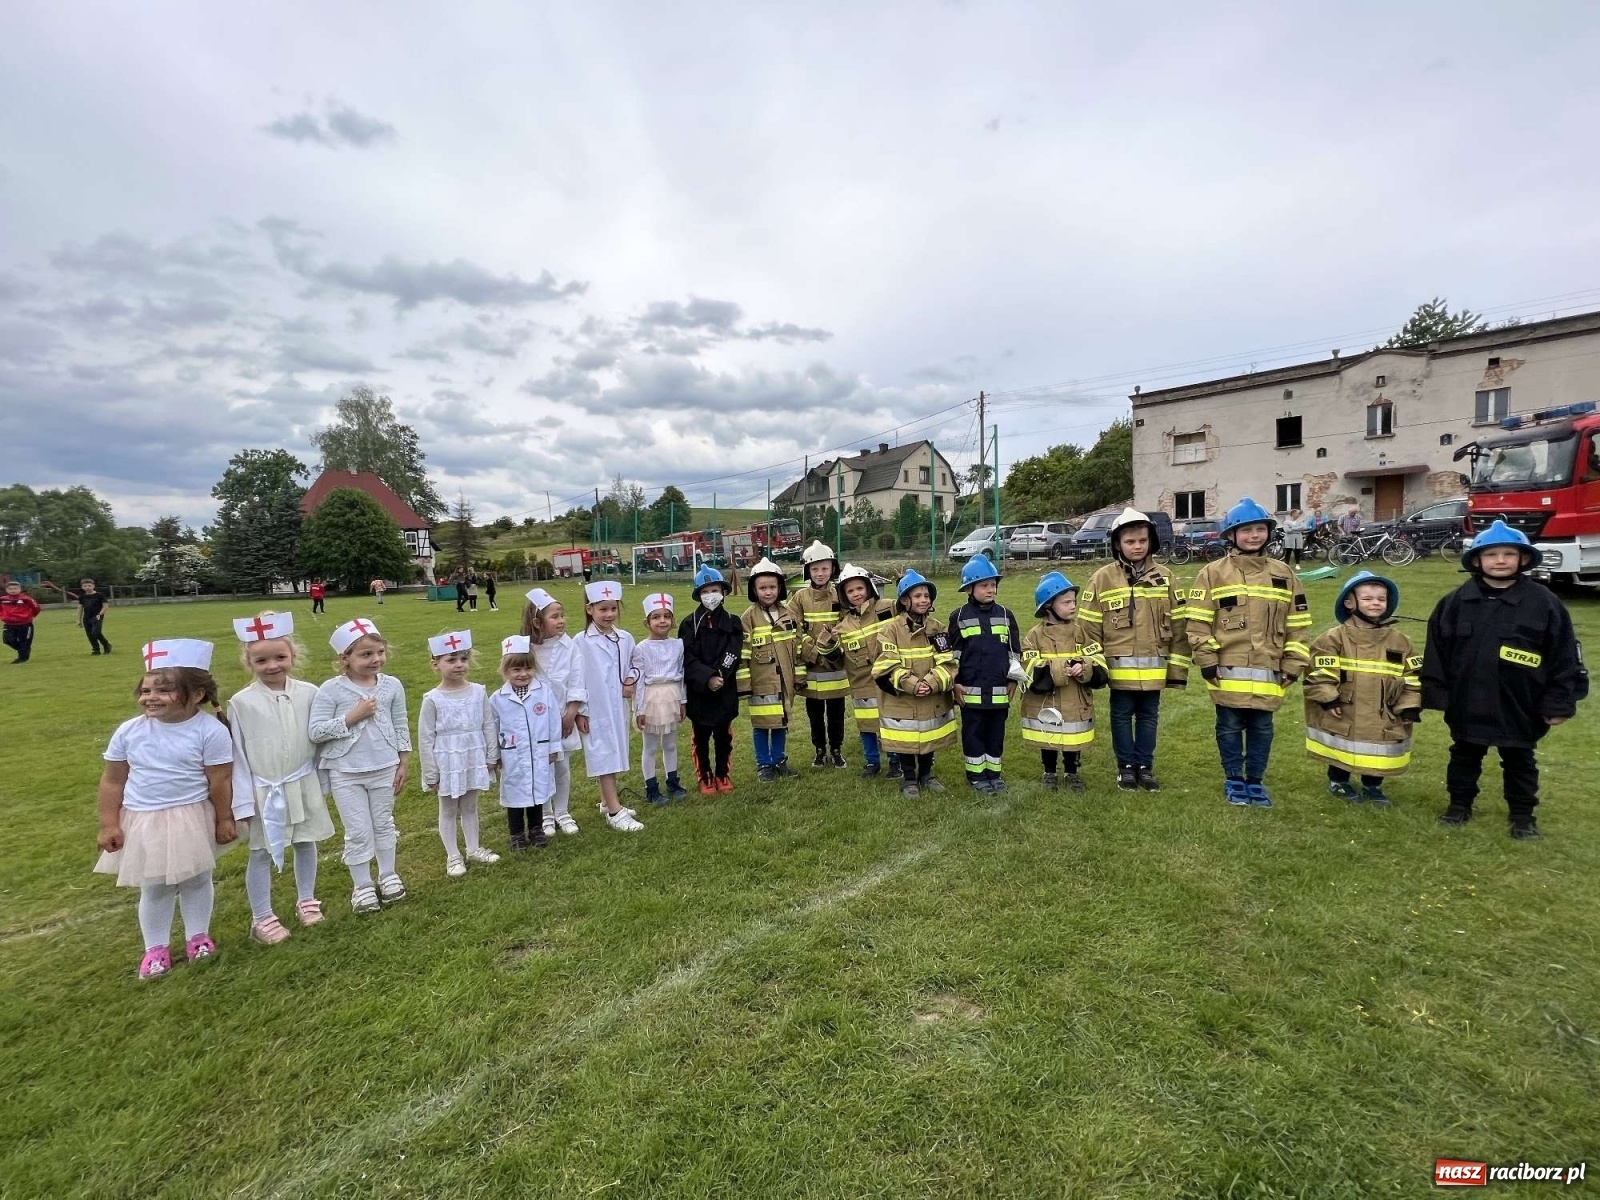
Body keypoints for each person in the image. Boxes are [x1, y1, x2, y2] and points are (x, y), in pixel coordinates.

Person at [1422, 521, 1585, 839]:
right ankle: (1459, 806)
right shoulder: (1455, 603)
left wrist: (1559, 702)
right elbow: (1437, 651)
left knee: (1520, 759)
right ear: (1476, 560)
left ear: (1523, 559)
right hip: (1468, 700)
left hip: (1521, 703)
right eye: (1492, 554)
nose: (1500, 560)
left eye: (1509, 553)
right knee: (1464, 755)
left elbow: (1564, 656)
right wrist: (1436, 693)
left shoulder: (1545, 604)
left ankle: (1523, 816)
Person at [94, 639, 236, 980]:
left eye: (164, 690)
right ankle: (155, 948)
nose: (150, 697)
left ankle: (197, 936)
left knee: (197, 879)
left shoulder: (210, 731)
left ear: (197, 694)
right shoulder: (130, 732)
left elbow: (219, 780)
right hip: (145, 820)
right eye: (145, 690)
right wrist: (108, 824)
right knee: (154, 885)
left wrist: (224, 818)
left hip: (191, 816)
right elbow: (112, 781)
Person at [1186, 498, 1312, 807]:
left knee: (1262, 728)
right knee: (1228, 726)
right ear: (1231, 535)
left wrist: (1293, 664)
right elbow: (1198, 622)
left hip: (1270, 669)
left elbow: (1298, 623)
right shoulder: (1212, 574)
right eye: (1246, 530)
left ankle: (1255, 781)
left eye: (1259, 529)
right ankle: (1234, 779)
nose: (1254, 535)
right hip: (1227, 670)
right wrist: (1206, 661)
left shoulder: (1284, 573)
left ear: (1268, 533)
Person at [227, 612, 334, 946]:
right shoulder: (241, 703)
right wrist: (243, 799)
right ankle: (262, 916)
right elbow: (239, 755)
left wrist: (322, 779)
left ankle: (307, 899)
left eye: (279, 657)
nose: (272, 665)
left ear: (292, 656)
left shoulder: (310, 693)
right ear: (249, 662)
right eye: (261, 660)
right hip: (264, 789)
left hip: (302, 782)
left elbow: (320, 741)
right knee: (261, 851)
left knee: (305, 841)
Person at [1079, 508, 1189, 791]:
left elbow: (1179, 627)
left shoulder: (1166, 578)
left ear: (1151, 540)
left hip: (1154, 670)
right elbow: (1087, 627)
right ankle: (1126, 768)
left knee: (1149, 717)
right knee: (1121, 716)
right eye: (1130, 542)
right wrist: (1096, 667)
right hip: (1119, 670)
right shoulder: (1102, 579)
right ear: (1118, 544)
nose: (1137, 546)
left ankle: (1145, 766)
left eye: (1142, 540)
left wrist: (1175, 671)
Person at [309, 618, 411, 912]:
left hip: (384, 767)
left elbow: (401, 723)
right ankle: (362, 885)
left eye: (380, 652)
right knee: (358, 830)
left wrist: (403, 760)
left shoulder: (392, 686)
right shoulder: (331, 690)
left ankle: (388, 874)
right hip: (347, 773)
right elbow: (315, 732)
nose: (376, 659)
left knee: (383, 823)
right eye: (366, 654)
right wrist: (352, 717)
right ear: (345, 658)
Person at [1302, 571, 1420, 806]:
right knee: (1341, 744)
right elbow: (1319, 671)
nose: (1375, 603)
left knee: (1379, 745)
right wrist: (1329, 699)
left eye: (1381, 598)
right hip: (1345, 708)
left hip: (1384, 710)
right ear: (1349, 602)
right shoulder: (1333, 639)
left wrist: (1409, 707)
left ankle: (1373, 786)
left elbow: (1413, 677)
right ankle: (1339, 781)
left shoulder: (1401, 642)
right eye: (1367, 598)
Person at [419, 629, 499, 874]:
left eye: (463, 659)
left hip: (473, 756)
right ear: (436, 664)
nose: (459, 665)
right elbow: (425, 737)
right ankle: (453, 855)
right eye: (451, 660)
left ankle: (473, 848)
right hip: (448, 760)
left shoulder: (478, 691)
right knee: (449, 808)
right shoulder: (432, 699)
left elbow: (487, 723)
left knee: (471, 806)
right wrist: (431, 773)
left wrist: (491, 756)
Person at [873, 569, 957, 797]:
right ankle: (909, 778)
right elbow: (885, 664)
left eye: (926, 596)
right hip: (903, 697)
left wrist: (930, 683)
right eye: (918, 596)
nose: (923, 600)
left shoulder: (937, 628)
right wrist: (911, 684)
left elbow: (947, 661)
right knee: (906, 738)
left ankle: (926, 774)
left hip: (931, 695)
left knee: (929, 734)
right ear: (904, 600)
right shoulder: (890, 630)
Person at [1021, 572, 1108, 791]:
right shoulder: (1034, 636)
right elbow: (1029, 668)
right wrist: (1061, 668)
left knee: (1073, 734)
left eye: (1074, 601)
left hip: (1075, 698)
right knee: (1048, 733)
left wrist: (1084, 666)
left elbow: (1099, 661)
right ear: (1049, 605)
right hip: (1047, 700)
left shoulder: (1081, 633)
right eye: (1066, 602)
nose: (1073, 606)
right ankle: (1049, 772)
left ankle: (1072, 772)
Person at [947, 554, 1023, 793]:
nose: (990, 590)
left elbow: (1014, 652)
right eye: (984, 585)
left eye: (993, 585)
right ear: (969, 588)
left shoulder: (1005, 615)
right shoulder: (959, 617)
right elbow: (954, 654)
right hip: (971, 692)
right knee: (973, 733)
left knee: (995, 734)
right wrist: (955, 683)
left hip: (1000, 691)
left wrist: (1013, 679)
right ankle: (976, 776)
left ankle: (994, 774)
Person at [573, 580, 645, 831]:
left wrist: (630, 679)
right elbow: (575, 678)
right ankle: (615, 812)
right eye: (603, 609)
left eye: (613, 609)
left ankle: (607, 800)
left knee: (614, 750)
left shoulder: (624, 638)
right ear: (589, 609)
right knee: (603, 754)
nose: (609, 614)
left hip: (617, 706)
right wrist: (579, 711)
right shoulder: (581, 642)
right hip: (595, 708)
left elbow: (637, 664)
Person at [487, 635, 562, 850]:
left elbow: (553, 720)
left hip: (540, 751)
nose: (523, 674)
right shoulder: (498, 698)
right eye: (516, 670)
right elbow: (492, 728)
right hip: (513, 754)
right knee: (515, 795)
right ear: (506, 671)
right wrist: (495, 755)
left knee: (538, 791)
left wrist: (554, 746)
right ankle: (517, 834)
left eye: (528, 668)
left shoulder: (543, 692)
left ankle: (536, 829)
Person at [523, 588, 586, 836]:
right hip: (536, 721)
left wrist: (571, 712)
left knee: (562, 766)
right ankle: (546, 813)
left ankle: (562, 811)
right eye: (555, 616)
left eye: (562, 615)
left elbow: (577, 681)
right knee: (543, 767)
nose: (561, 621)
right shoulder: (525, 648)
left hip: (562, 717)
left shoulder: (569, 647)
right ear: (537, 622)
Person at [738, 557, 805, 782]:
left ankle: (779, 760)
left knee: (781, 722)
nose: (768, 592)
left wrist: (800, 675)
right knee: (761, 724)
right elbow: (743, 653)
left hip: (785, 682)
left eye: (772, 587)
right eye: (763, 588)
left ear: (780, 588)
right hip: (761, 682)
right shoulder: (748, 618)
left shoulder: (789, 615)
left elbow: (798, 648)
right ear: (754, 590)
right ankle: (763, 765)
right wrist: (745, 685)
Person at [832, 563, 899, 780]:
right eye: (850, 591)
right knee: (866, 725)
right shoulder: (843, 626)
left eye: (859, 588)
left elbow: (914, 607)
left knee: (891, 722)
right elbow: (836, 659)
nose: (856, 594)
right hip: (860, 683)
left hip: (889, 678)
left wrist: (905, 584)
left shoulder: (888, 607)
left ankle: (895, 761)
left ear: (869, 587)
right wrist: (826, 644)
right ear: (844, 595)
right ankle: (872, 762)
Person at [681, 566, 742, 794]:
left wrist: (719, 675)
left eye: (714, 590)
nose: (710, 595)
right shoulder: (689, 624)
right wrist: (706, 678)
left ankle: (722, 774)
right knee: (701, 736)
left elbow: (733, 652)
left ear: (723, 592)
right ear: (699, 595)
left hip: (724, 689)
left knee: (723, 736)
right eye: (705, 591)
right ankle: (705, 776)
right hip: (699, 691)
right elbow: (687, 657)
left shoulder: (733, 622)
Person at [789, 540, 849, 768]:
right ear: (807, 571)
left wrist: (832, 648)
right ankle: (819, 750)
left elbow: (847, 624)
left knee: (836, 711)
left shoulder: (840, 595)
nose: (820, 573)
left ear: (833, 569)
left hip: (835, 665)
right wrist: (812, 651)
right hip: (811, 667)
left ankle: (836, 749)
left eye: (825, 568)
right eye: (815, 569)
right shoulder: (799, 598)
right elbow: (793, 628)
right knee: (814, 713)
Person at [634, 592, 688, 803]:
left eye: (666, 616)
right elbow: (638, 680)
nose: (662, 620)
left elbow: (681, 674)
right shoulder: (641, 649)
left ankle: (672, 782)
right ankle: (651, 787)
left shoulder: (678, 645)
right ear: (647, 622)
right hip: (651, 698)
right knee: (650, 746)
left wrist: (682, 701)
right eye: (656, 617)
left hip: (672, 695)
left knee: (670, 744)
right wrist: (639, 709)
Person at [2, 579, 41, 664]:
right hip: (9, 624)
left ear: (20, 589)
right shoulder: (2, 600)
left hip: (25, 624)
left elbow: (36, 608)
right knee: (7, 640)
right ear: (7, 590)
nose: (13, 590)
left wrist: (30, 616)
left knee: (24, 642)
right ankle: (23, 651)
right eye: (10, 589)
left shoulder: (26, 599)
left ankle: (23, 658)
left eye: (15, 588)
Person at [77, 578, 113, 655]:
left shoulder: (99, 595)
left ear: (93, 586)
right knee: (89, 634)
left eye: (89, 585)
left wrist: (100, 614)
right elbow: (80, 608)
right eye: (85, 586)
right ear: (82, 587)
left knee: (96, 632)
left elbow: (105, 606)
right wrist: (79, 620)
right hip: (86, 617)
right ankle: (96, 650)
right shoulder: (82, 597)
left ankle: (106, 645)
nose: (87, 587)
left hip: (97, 616)